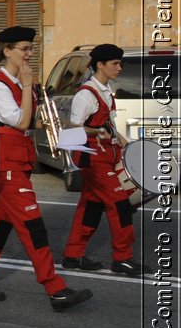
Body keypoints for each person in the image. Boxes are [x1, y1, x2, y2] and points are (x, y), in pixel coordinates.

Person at [0, 27, 92, 310]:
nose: (29, 54)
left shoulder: (20, 84)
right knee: (33, 225)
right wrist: (27, 86)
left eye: (31, 49)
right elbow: (19, 122)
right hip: (4, 157)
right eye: (24, 49)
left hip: (17, 156)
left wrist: (55, 126)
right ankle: (55, 288)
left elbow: (30, 123)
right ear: (7, 51)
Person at [62, 44, 149, 277]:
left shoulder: (106, 89)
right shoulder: (86, 94)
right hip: (92, 158)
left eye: (120, 64)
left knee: (91, 207)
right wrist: (98, 132)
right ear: (100, 65)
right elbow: (75, 127)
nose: (119, 68)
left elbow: (107, 121)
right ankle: (123, 258)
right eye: (115, 64)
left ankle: (73, 255)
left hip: (106, 156)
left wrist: (120, 138)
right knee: (120, 205)